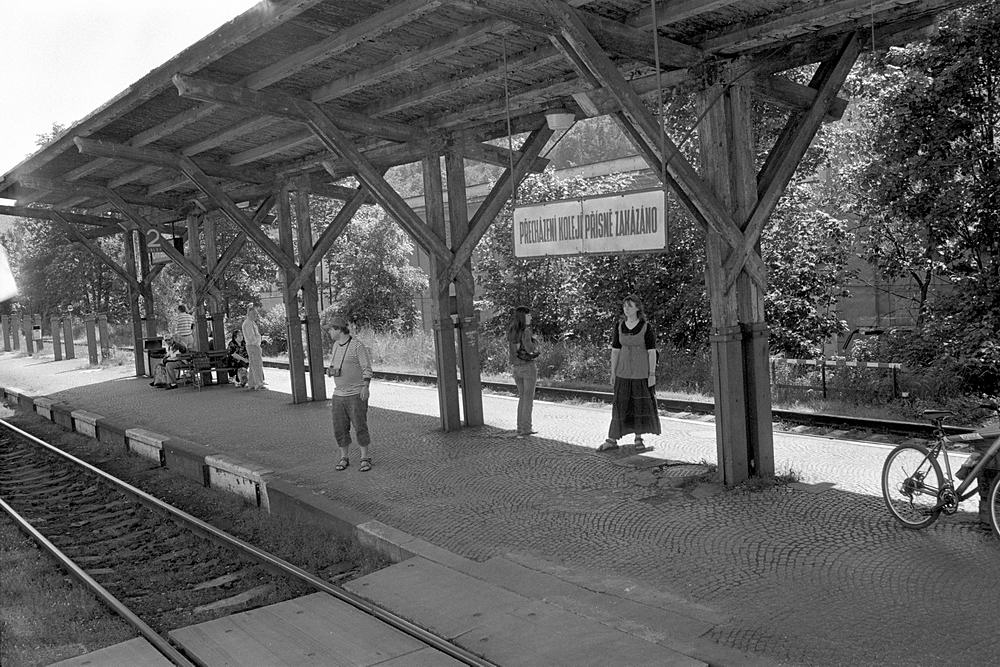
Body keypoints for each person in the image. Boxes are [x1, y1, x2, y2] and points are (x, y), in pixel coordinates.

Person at [599, 294, 661, 452]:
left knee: (639, 406)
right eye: (625, 306)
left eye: (630, 306)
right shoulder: (619, 326)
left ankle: (638, 438)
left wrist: (652, 374)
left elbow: (652, 352)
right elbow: (615, 351)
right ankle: (612, 440)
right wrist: (613, 372)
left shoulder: (646, 327)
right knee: (619, 406)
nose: (626, 309)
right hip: (623, 372)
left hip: (641, 373)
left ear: (637, 308)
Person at [323, 311, 374, 472]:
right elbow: (335, 364)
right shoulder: (335, 346)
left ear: (338, 329)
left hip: (355, 393)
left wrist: (366, 387)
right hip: (338, 394)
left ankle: (364, 457)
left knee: (360, 426)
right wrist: (331, 370)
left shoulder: (357, 346)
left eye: (330, 329)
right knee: (339, 428)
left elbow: (367, 368)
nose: (329, 332)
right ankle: (344, 457)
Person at [508, 306, 540, 438]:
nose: (531, 317)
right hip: (527, 367)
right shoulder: (526, 331)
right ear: (523, 317)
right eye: (528, 315)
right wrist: (535, 342)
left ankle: (520, 427)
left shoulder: (512, 330)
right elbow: (529, 349)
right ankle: (526, 428)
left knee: (522, 397)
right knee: (528, 399)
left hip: (516, 367)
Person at [241, 303, 265, 391]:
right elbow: (251, 337)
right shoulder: (248, 323)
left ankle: (251, 383)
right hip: (253, 345)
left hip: (252, 345)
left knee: (252, 365)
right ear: (249, 314)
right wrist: (258, 342)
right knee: (257, 365)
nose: (256, 315)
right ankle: (259, 384)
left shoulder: (250, 322)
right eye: (254, 313)